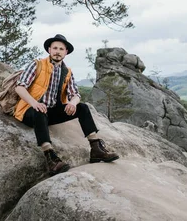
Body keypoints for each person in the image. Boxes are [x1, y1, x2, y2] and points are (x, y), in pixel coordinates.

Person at [14, 34, 119, 175]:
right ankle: (50, 158)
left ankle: (96, 149)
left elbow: (75, 94)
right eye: (55, 48)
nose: (57, 51)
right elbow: (20, 87)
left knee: (82, 107)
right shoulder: (37, 65)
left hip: (50, 112)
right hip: (30, 111)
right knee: (40, 111)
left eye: (61, 49)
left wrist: (73, 103)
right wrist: (34, 104)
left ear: (66, 52)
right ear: (49, 50)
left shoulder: (67, 71)